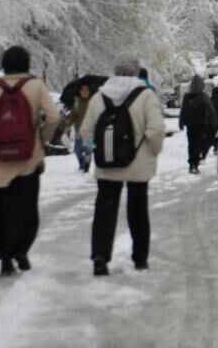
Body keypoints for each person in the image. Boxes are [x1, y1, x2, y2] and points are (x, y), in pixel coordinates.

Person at [0, 45, 60, 277]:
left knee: (1, 210)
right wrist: (41, 138)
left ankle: (5, 259)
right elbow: (54, 117)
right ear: (27, 64)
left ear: (5, 65)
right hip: (28, 158)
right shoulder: (36, 86)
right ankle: (21, 249)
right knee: (26, 209)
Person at [81, 58, 166, 276]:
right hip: (138, 163)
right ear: (136, 72)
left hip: (107, 163)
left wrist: (96, 149)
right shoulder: (145, 95)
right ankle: (140, 258)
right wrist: (153, 151)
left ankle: (100, 256)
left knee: (105, 210)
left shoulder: (100, 96)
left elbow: (86, 130)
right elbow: (156, 130)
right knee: (138, 211)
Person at [179, 75, 217, 174]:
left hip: (190, 125)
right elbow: (211, 110)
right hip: (201, 125)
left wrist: (181, 122)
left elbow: (183, 110)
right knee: (199, 144)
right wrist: (214, 123)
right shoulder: (203, 96)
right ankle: (195, 164)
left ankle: (192, 164)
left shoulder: (187, 96)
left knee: (191, 145)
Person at [68, 82, 95, 172]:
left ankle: (86, 165)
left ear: (89, 91)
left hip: (91, 131)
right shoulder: (77, 102)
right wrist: (68, 126)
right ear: (79, 91)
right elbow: (72, 116)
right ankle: (81, 162)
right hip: (79, 130)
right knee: (77, 150)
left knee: (89, 150)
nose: (84, 91)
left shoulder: (93, 101)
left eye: (86, 89)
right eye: (82, 90)